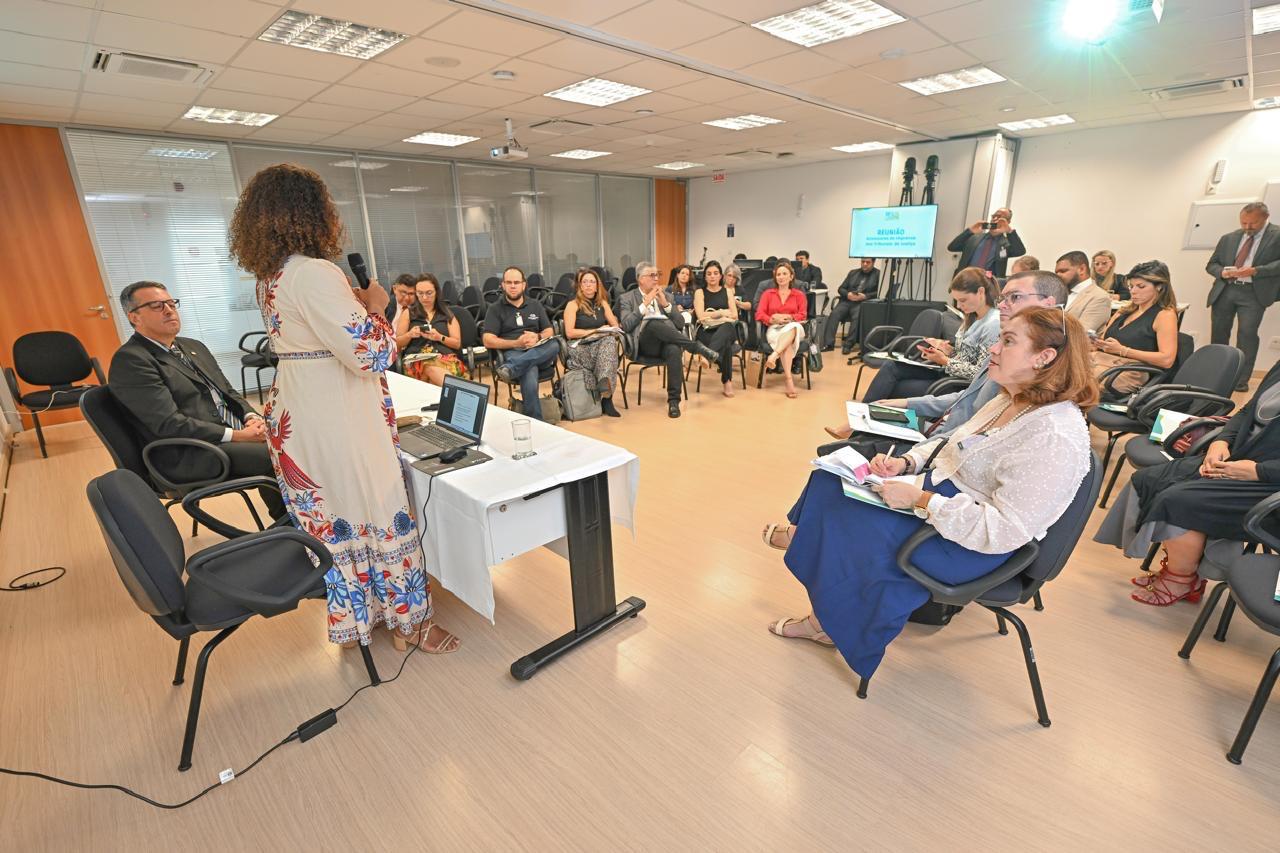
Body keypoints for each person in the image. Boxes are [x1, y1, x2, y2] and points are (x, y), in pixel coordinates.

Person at [762, 307, 1096, 680]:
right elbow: (950, 446)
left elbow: (1004, 532)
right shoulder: (1009, 399)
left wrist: (920, 500)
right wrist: (905, 464)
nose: (993, 350)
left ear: (1044, 357)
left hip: (970, 544)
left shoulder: (1055, 437)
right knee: (830, 482)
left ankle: (826, 619)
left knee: (851, 522)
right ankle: (821, 575)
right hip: (945, 499)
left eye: (1008, 341)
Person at [228, 163, 458, 653]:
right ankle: (411, 626)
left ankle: (361, 623)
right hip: (339, 414)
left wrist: (350, 307)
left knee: (339, 522)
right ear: (312, 213)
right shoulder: (314, 272)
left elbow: (317, 333)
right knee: (379, 508)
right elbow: (372, 353)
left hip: (301, 410)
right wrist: (375, 306)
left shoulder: (270, 276)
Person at [1096, 359, 1280, 606]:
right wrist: (1220, 442)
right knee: (1150, 479)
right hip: (1241, 459)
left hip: (1269, 485)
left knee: (1178, 500)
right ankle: (1184, 568)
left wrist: (1258, 472)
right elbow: (1248, 411)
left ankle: (1181, 580)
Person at [821, 271, 1069, 452]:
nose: (1003, 305)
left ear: (1048, 304)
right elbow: (967, 398)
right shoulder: (992, 336)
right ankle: (864, 417)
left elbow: (972, 432)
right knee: (872, 420)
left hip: (946, 437)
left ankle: (862, 420)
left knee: (843, 452)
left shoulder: (1017, 364)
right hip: (944, 425)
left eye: (1014, 297)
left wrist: (914, 457)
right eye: (1004, 298)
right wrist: (944, 352)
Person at [108, 280, 286, 520]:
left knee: (296, 440)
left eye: (171, 303)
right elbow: (168, 424)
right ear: (134, 317)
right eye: (156, 306)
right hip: (188, 452)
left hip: (224, 435)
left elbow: (228, 392)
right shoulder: (132, 360)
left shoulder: (192, 346)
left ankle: (301, 521)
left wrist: (251, 417)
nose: (169, 310)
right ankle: (289, 528)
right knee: (277, 455)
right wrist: (238, 436)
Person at [861, 267, 999, 402]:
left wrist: (945, 360)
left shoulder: (993, 325)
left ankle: (862, 417)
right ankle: (862, 417)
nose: (958, 305)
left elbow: (981, 374)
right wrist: (947, 351)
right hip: (949, 374)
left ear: (981, 292)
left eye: (962, 300)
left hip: (958, 384)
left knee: (893, 386)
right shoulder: (972, 317)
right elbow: (965, 356)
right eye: (956, 300)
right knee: (890, 366)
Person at [619, 261, 720, 418]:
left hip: (666, 342)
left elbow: (680, 323)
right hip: (644, 345)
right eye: (651, 275)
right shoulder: (627, 298)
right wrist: (645, 304)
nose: (656, 279)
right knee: (652, 323)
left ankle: (674, 401)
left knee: (673, 349)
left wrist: (665, 305)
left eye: (657, 275)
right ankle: (696, 347)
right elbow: (625, 325)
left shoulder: (667, 296)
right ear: (640, 279)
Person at [1207, 202, 1280, 392]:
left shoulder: (1277, 235)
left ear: (1265, 218)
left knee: (1247, 335)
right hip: (1226, 289)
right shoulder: (1229, 238)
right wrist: (1222, 272)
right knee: (1219, 332)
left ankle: (1240, 380)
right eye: (1243, 223)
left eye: (1252, 223)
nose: (1247, 227)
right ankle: (1213, 374)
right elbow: (1211, 265)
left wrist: (1256, 270)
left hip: (1254, 293)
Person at [1091, 260, 1178, 395]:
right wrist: (1095, 343)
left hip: (1130, 372)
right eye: (1131, 286)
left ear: (1159, 287)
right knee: (1060, 370)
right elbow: (1103, 341)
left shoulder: (1164, 315)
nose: (1133, 292)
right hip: (1102, 362)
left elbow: (1166, 360)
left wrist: (1123, 350)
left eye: (1141, 287)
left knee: (1075, 380)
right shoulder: (1123, 311)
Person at [483, 267, 558, 420]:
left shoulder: (535, 305)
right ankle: (536, 421)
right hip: (513, 350)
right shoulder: (495, 309)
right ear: (502, 285)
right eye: (508, 282)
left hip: (536, 350)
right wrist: (516, 342)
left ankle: (512, 368)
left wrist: (537, 336)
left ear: (524, 285)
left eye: (516, 282)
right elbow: (487, 340)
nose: (513, 286)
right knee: (529, 371)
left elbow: (549, 330)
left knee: (555, 343)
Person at [563, 267, 622, 417]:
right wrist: (594, 331)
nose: (588, 285)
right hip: (579, 347)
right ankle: (607, 398)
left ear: (597, 286)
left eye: (592, 282)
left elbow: (614, 325)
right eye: (585, 282)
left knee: (609, 340)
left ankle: (604, 384)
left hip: (599, 346)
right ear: (580, 286)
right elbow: (569, 333)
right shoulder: (573, 305)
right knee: (608, 353)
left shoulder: (602, 303)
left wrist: (612, 326)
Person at [394, 274, 466, 386]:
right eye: (420, 293)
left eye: (429, 293)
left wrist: (439, 337)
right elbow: (397, 342)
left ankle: (454, 394)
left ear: (436, 292)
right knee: (429, 368)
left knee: (433, 377)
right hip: (416, 361)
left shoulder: (446, 314)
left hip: (446, 359)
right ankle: (459, 393)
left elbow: (457, 343)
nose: (424, 298)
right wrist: (410, 335)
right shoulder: (408, 313)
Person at [756, 260, 808, 398]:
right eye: (778, 274)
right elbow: (759, 313)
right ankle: (789, 380)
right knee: (788, 345)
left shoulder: (799, 295)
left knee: (793, 327)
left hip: (795, 328)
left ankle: (774, 355)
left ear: (791, 276)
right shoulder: (768, 294)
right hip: (774, 329)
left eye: (785, 273)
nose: (781, 277)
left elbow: (803, 314)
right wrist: (772, 319)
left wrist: (789, 317)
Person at [693, 260, 740, 397]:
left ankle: (707, 355)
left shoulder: (728, 292)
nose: (712, 276)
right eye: (709, 274)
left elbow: (734, 315)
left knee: (726, 327)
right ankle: (727, 382)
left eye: (715, 273)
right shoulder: (700, 292)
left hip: (725, 328)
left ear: (721, 276)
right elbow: (701, 316)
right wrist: (720, 312)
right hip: (706, 330)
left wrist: (711, 314)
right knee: (725, 345)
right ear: (705, 277)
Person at [946, 207, 1026, 277]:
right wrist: (969, 231)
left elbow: (1020, 251)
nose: (995, 218)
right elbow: (952, 247)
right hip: (964, 280)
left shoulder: (1007, 244)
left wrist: (1009, 231)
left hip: (988, 285)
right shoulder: (974, 238)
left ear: (1007, 222)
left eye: (1000, 217)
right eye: (994, 216)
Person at [822, 258, 879, 354]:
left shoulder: (878, 275)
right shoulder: (853, 273)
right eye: (863, 262)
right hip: (847, 301)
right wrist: (848, 294)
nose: (864, 264)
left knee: (857, 317)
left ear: (873, 262)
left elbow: (879, 292)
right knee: (834, 314)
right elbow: (841, 288)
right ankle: (829, 344)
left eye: (868, 262)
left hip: (863, 303)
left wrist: (865, 296)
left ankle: (848, 345)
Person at [1056, 250, 1112, 333]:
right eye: (1056, 272)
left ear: (1081, 269)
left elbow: (1081, 333)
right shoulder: (1058, 292)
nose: (1058, 275)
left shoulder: (1100, 297)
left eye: (1063, 271)